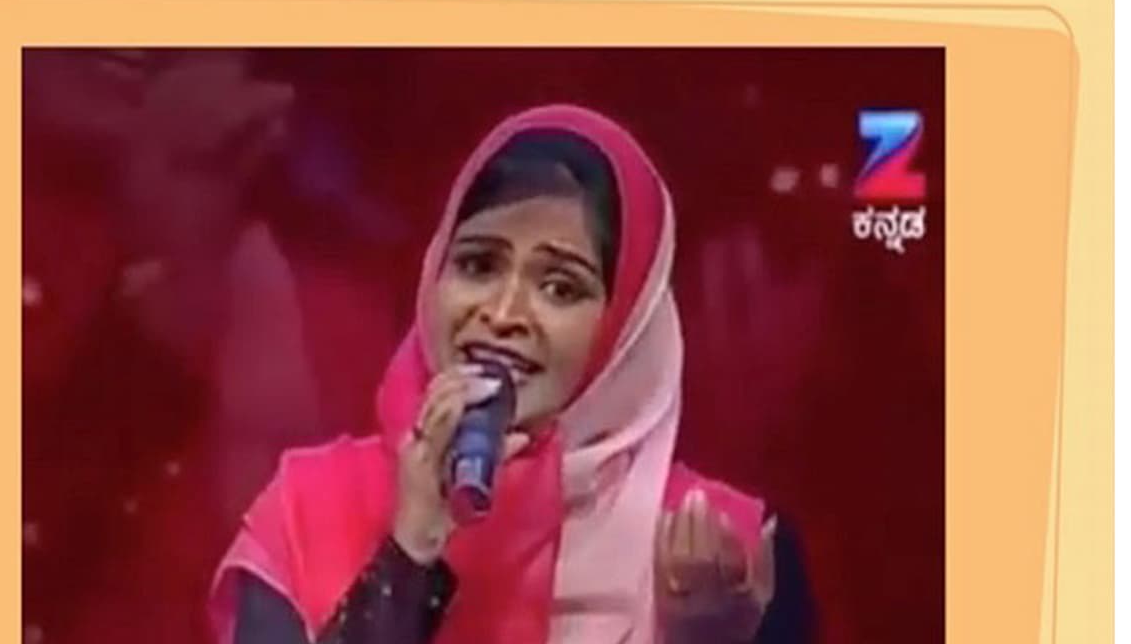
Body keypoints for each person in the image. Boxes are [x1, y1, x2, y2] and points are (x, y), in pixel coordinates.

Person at [208, 104, 813, 643]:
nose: (502, 314)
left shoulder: (727, 553)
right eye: (478, 265)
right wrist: (409, 553)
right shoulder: (307, 510)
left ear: (627, 323)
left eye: (560, 287)